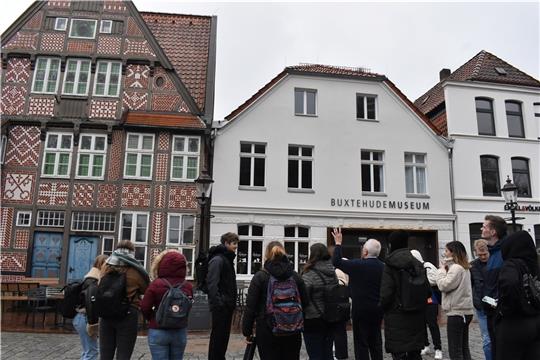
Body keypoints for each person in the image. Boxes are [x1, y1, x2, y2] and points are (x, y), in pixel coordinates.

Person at [242, 241, 308, 360]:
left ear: (266, 255)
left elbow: (250, 306)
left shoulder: (260, 277)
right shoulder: (295, 276)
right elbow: (306, 302)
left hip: (267, 329)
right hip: (292, 329)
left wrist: (247, 331)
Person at [332, 228, 384, 360]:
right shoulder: (384, 267)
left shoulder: (357, 265)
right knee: (376, 341)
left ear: (365, 252)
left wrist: (338, 243)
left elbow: (336, 261)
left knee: (361, 343)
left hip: (360, 310)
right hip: (378, 309)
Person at [380, 230, 430, 360]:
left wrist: (383, 307)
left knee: (399, 355)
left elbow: (386, 293)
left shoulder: (389, 265)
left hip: (396, 317)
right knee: (415, 354)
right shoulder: (417, 263)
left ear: (391, 245)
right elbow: (427, 291)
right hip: (416, 317)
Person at [99, 240, 150, 360]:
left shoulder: (106, 266)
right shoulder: (136, 269)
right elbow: (145, 289)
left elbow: (99, 284)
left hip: (106, 312)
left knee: (105, 355)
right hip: (128, 313)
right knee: (124, 355)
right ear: (132, 251)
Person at [140, 250, 193, 359]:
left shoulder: (156, 284)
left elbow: (145, 307)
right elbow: (189, 306)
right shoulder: (187, 286)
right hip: (179, 330)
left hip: (158, 330)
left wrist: (153, 318)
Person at [495, 230, 540, 359]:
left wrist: (506, 309)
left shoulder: (512, 264)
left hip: (514, 323)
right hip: (535, 319)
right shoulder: (535, 265)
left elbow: (509, 284)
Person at [435, 241, 474, 360]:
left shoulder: (456, 268)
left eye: (446, 251)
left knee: (455, 350)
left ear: (453, 252)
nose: (444, 253)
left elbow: (443, 285)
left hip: (457, 312)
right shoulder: (464, 267)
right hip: (465, 312)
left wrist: (441, 270)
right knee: (463, 347)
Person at [302, 243, 339, 360]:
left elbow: (304, 297)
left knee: (315, 354)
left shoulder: (309, 274)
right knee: (328, 353)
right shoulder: (332, 272)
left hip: (313, 319)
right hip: (330, 317)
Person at [207, 232, 238, 360]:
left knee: (223, 337)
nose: (236, 246)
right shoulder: (218, 259)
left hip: (227, 304)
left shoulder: (227, 259)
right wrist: (219, 303)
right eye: (234, 243)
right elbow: (212, 284)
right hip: (221, 306)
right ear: (226, 243)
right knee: (218, 337)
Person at [480, 215, 506, 359]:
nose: (481, 229)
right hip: (490, 312)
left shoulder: (503, 253)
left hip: (499, 313)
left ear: (493, 231)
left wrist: (497, 303)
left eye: (484, 227)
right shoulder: (493, 252)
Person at [73, 254, 108, 360]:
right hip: (86, 319)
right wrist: (93, 325)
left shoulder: (89, 278)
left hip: (81, 318)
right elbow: (91, 304)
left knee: (87, 351)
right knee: (91, 352)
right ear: (102, 265)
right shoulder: (94, 281)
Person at [410, 250, 443, 360]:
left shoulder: (427, 265)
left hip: (430, 300)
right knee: (421, 324)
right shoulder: (412, 269)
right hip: (419, 300)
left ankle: (438, 348)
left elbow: (435, 279)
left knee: (432, 324)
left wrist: (419, 280)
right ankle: (426, 345)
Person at [470, 239, 492, 360]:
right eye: (480, 255)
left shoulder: (496, 263)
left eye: (485, 254)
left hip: (497, 306)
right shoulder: (473, 266)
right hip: (481, 307)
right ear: (475, 253)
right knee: (486, 339)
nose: (483, 257)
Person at [328, 244, 349, 360]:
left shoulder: (336, 269)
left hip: (336, 302)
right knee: (341, 330)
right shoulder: (345, 264)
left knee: (337, 330)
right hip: (345, 301)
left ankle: (338, 354)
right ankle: (342, 353)